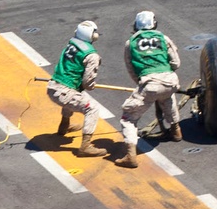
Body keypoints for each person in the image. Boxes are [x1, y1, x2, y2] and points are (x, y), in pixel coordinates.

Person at [116, 9, 182, 169]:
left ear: (135, 26)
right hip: (170, 79)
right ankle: (176, 130)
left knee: (128, 118)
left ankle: (130, 155)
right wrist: (166, 72)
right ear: (155, 24)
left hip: (149, 83)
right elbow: (176, 63)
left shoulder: (130, 42)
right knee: (166, 95)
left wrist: (141, 84)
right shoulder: (163, 38)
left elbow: (131, 68)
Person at [47, 18, 107, 157]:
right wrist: (91, 85)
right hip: (64, 92)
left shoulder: (71, 43)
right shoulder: (91, 55)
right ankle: (85, 146)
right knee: (92, 108)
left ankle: (64, 126)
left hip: (53, 86)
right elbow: (87, 83)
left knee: (74, 94)